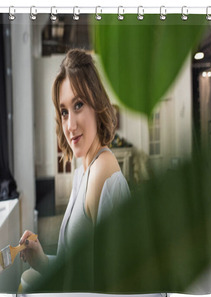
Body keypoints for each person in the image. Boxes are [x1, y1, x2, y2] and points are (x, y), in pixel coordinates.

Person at [19, 49, 130, 282]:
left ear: (97, 105)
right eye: (64, 112)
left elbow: (115, 283)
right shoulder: (83, 173)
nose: (69, 125)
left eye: (78, 105)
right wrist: (42, 260)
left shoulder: (102, 172)